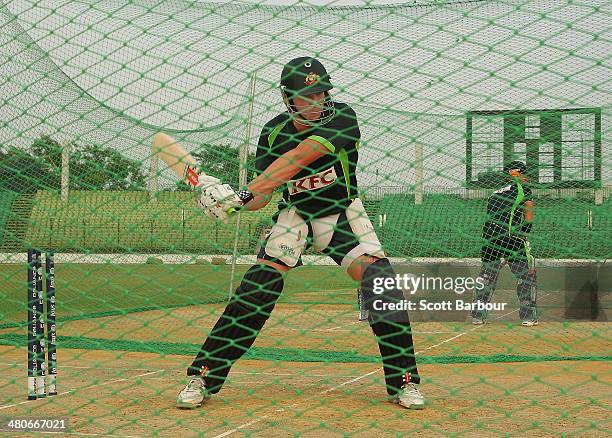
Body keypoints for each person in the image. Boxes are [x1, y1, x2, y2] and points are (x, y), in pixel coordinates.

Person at [175, 57, 425, 410]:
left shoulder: (343, 116)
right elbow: (261, 197)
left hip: (340, 213)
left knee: (382, 284)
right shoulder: (273, 131)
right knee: (258, 287)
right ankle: (201, 375)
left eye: (321, 93)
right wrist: (230, 201)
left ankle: (404, 383)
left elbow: (301, 156)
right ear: (287, 98)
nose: (316, 101)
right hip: (296, 215)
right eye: (306, 95)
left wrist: (247, 190)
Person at [471, 160, 538, 326]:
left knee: (487, 277)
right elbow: (529, 217)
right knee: (526, 276)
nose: (527, 177)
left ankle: (477, 316)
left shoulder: (495, 193)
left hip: (489, 239)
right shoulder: (524, 190)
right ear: (517, 174)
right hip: (512, 238)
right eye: (524, 173)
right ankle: (528, 316)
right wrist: (523, 236)